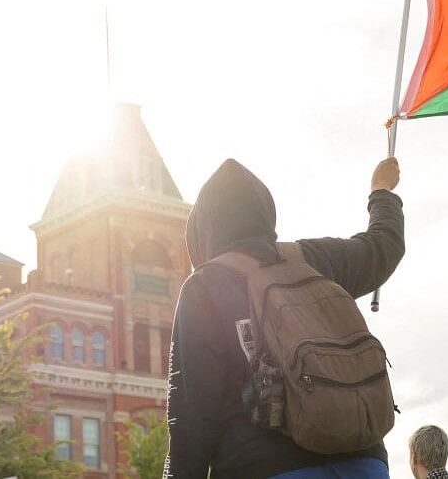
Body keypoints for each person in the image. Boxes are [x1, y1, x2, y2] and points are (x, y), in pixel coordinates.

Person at [165, 156, 405, 479]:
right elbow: (383, 246)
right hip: (365, 464)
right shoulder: (312, 259)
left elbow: (190, 421)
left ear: (201, 233)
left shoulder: (203, 287)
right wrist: (382, 191)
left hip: (262, 466)